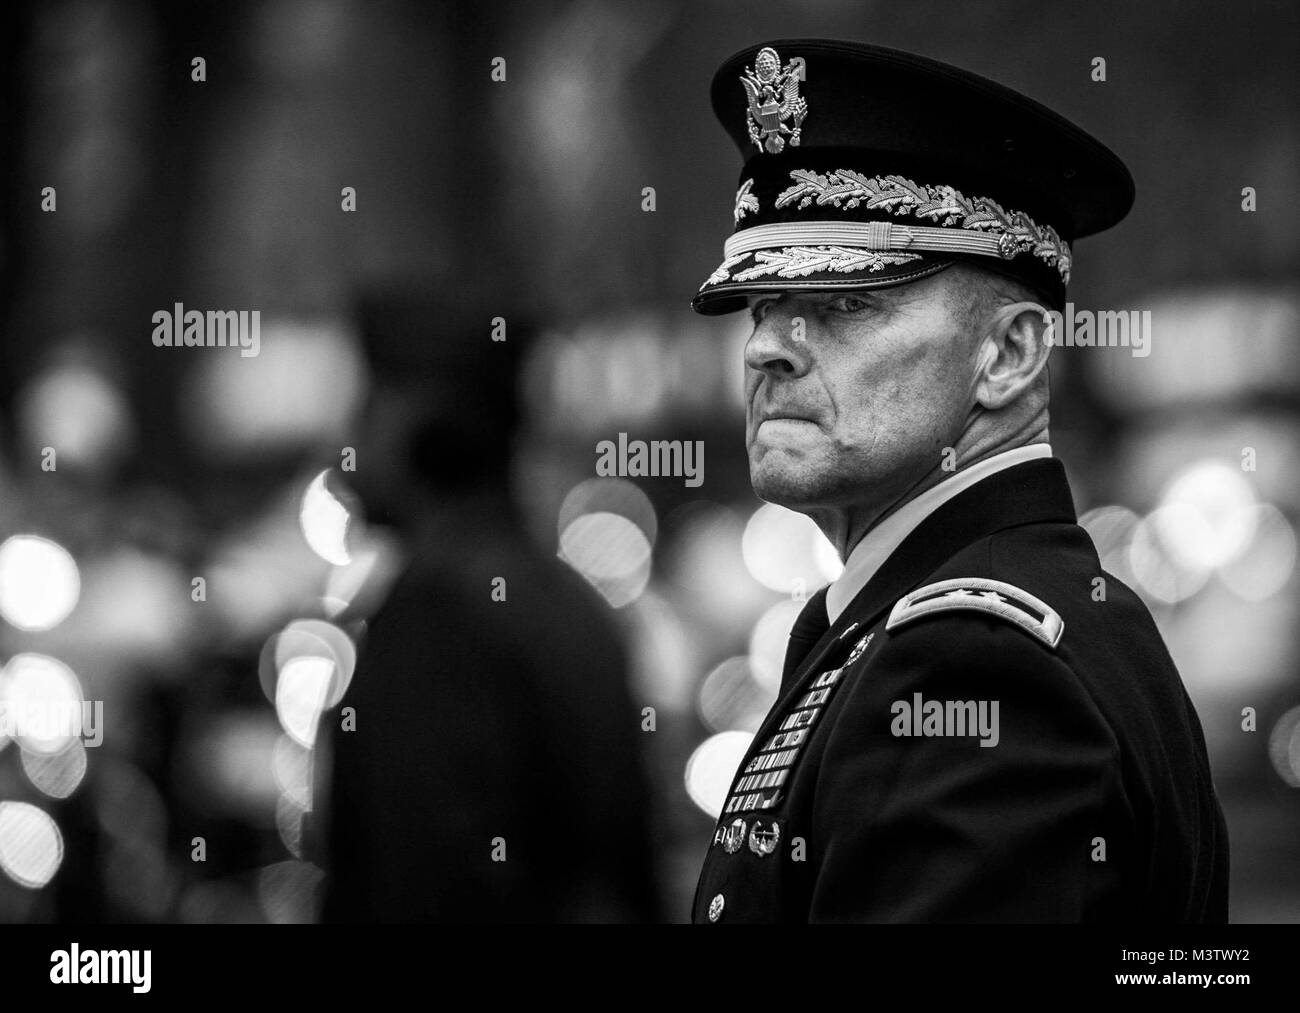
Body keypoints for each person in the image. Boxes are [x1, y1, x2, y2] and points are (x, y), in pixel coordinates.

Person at [689, 39, 1229, 923]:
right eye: (762, 306)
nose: (765, 348)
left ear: (1010, 353)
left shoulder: (972, 663)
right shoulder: (957, 623)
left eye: (846, 302)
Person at [315, 287, 660, 922]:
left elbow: (428, 893)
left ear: (422, 422)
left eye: (367, 408)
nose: (347, 441)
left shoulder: (436, 619)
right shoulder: (569, 604)